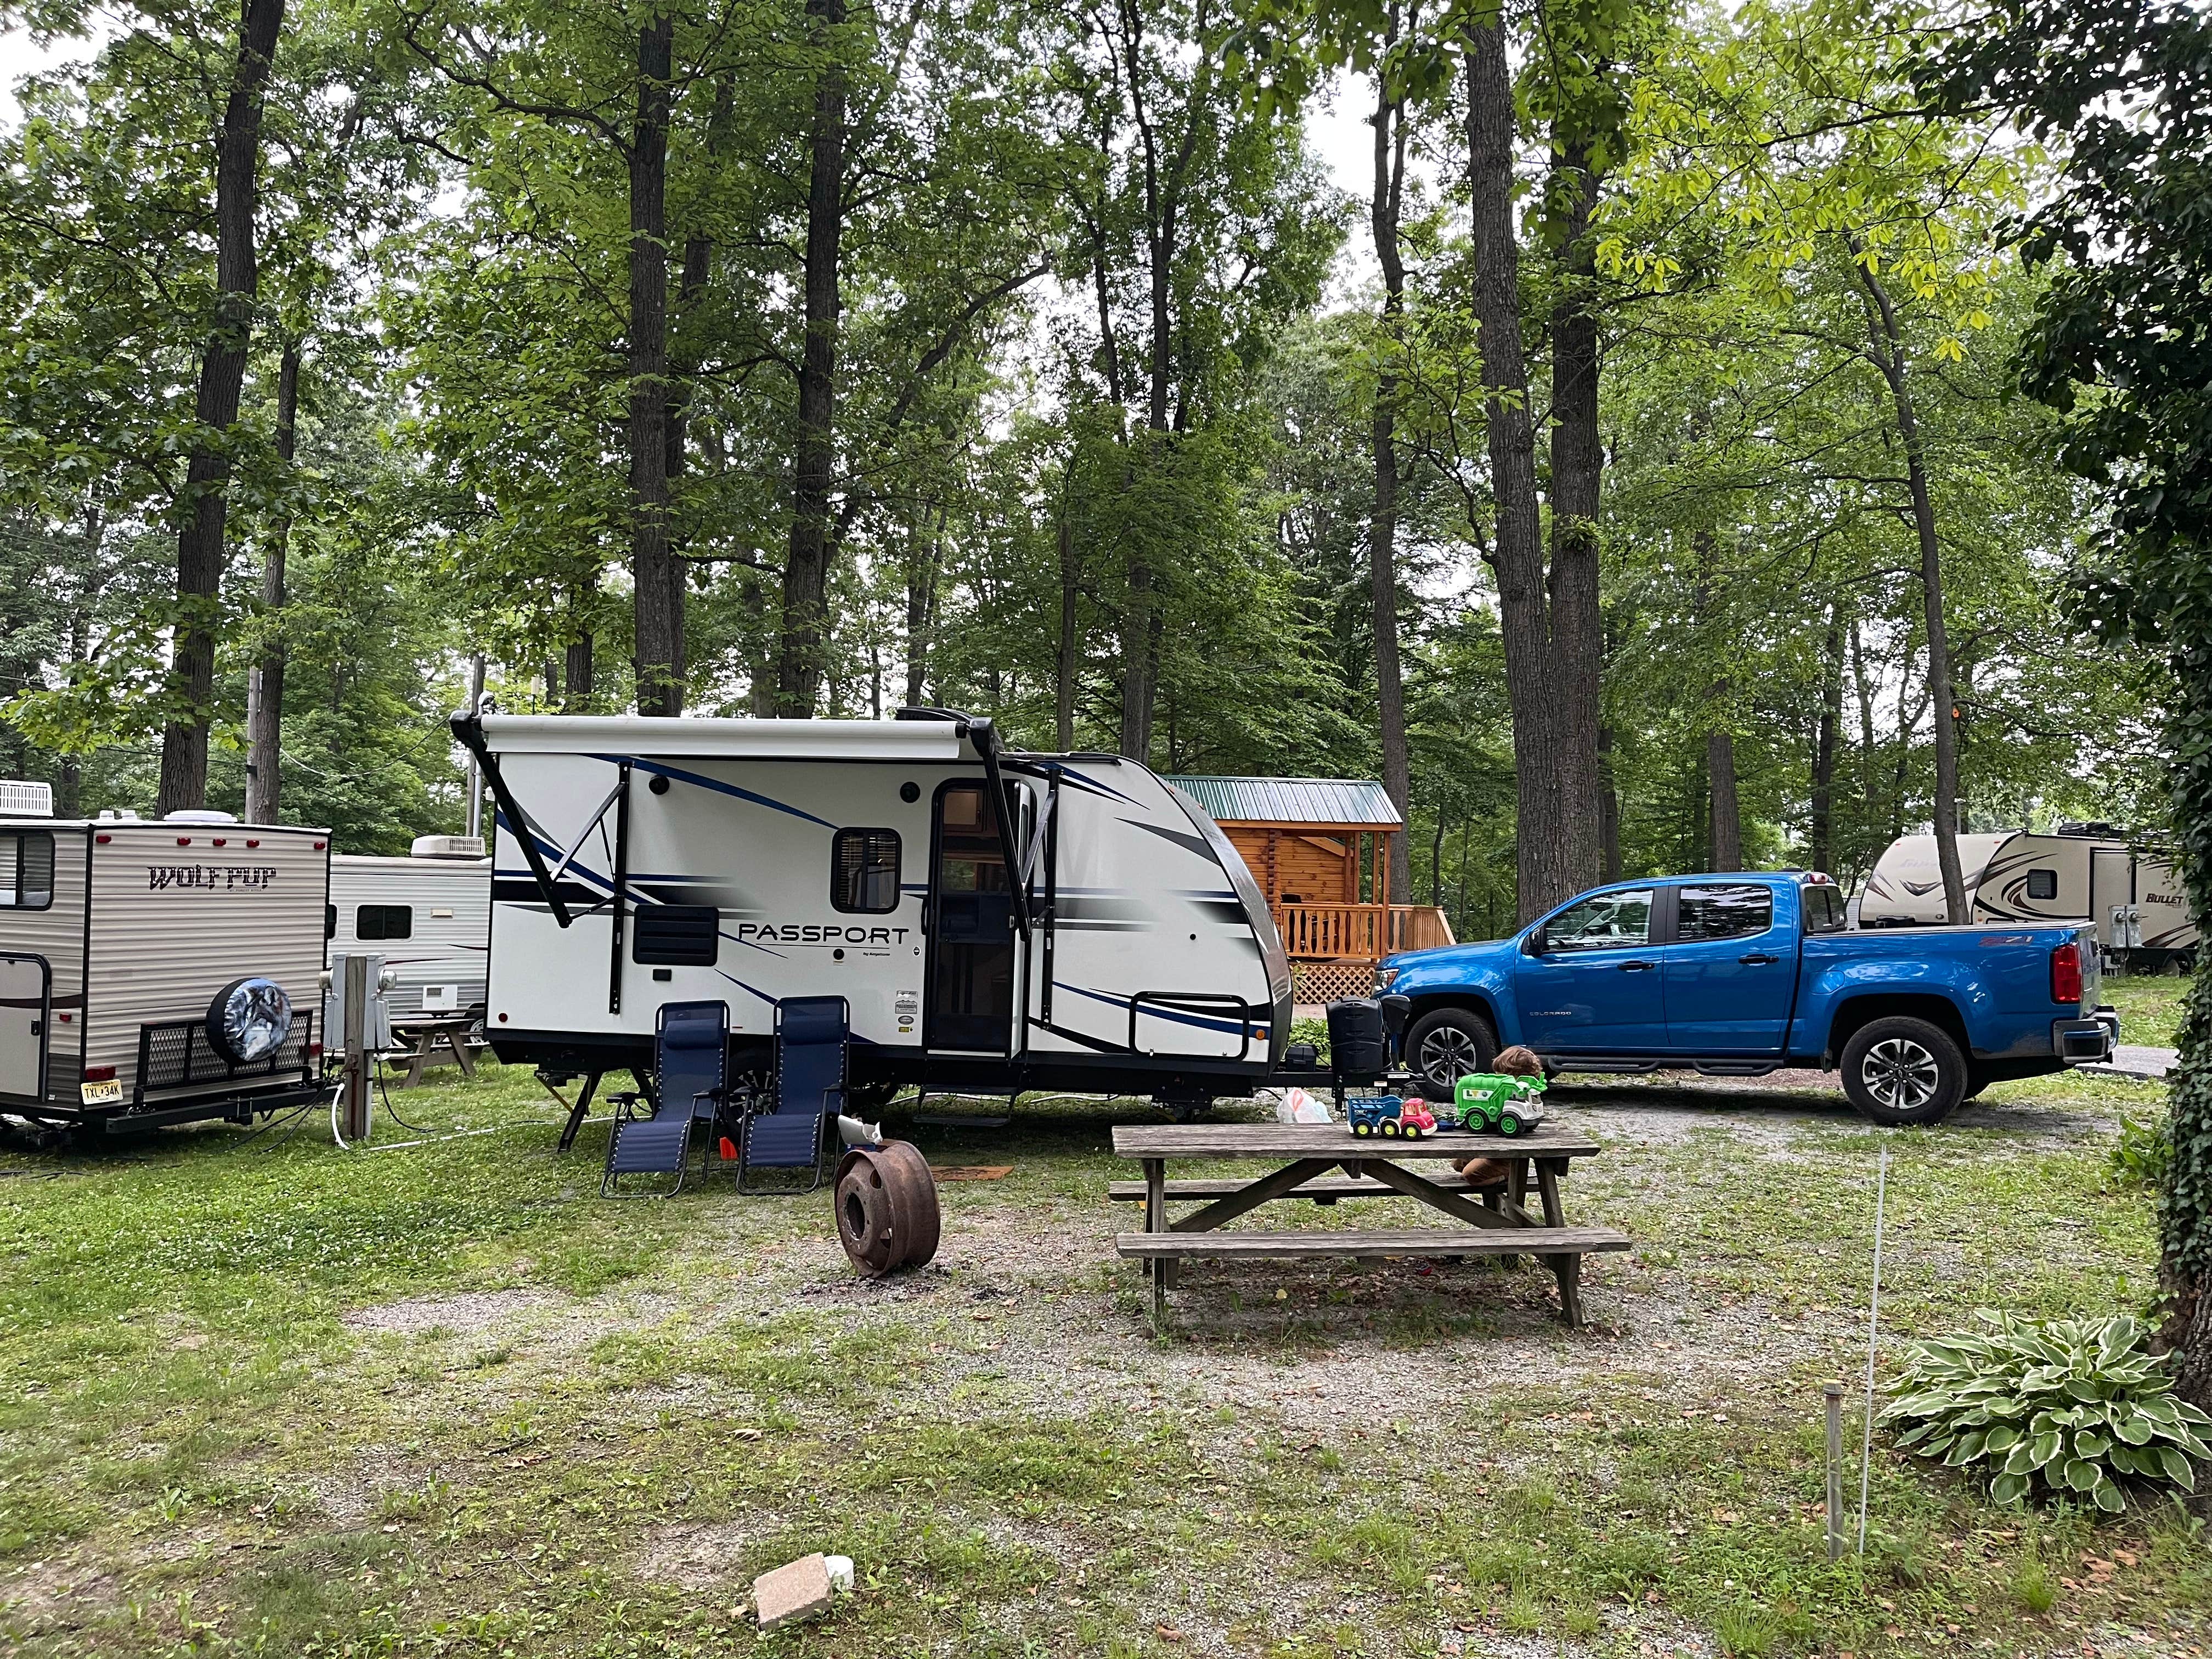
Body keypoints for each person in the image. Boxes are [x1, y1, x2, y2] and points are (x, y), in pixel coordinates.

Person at [1452, 1044, 1545, 1188]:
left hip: (1506, 1155)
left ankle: (1508, 1174)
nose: (1496, 1079)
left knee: (1470, 1175)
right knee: (1459, 1163)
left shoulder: (1521, 1097)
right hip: (1493, 1147)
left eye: (1500, 1076)